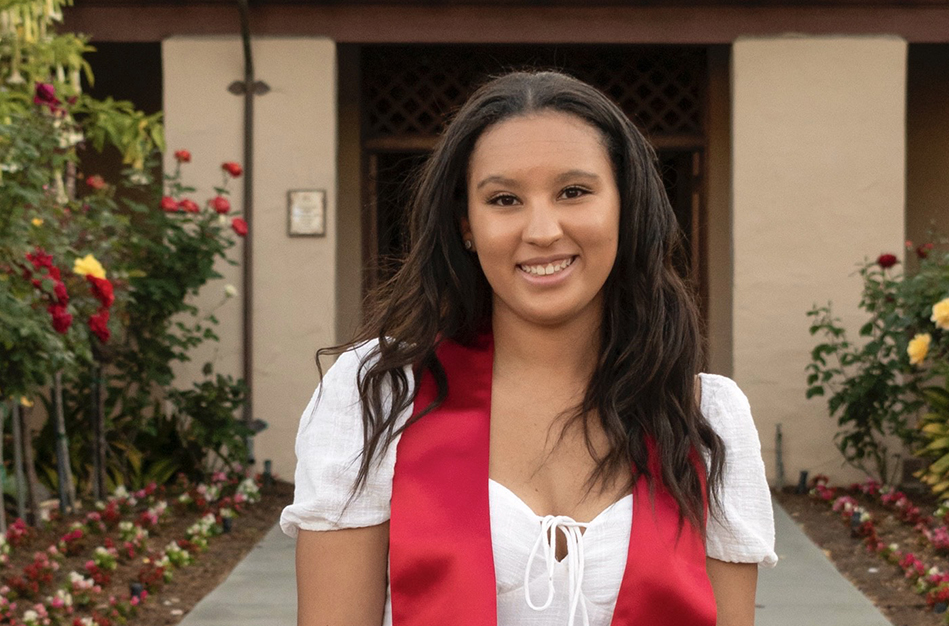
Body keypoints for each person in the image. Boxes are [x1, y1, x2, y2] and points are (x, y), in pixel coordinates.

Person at [280, 70, 777, 626]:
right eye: (505, 199)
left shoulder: (706, 419)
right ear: (466, 225)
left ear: (626, 206)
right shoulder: (377, 396)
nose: (542, 230)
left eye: (574, 191)